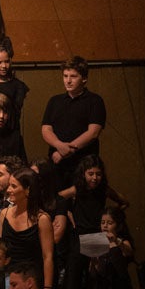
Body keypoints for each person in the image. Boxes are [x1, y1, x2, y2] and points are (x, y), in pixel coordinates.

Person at [41, 56, 106, 189]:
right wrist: (58, 145)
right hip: (57, 163)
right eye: (65, 76)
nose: (68, 81)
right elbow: (46, 129)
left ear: (84, 78)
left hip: (83, 166)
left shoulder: (94, 101)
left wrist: (65, 151)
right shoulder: (55, 101)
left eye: (73, 76)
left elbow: (93, 132)